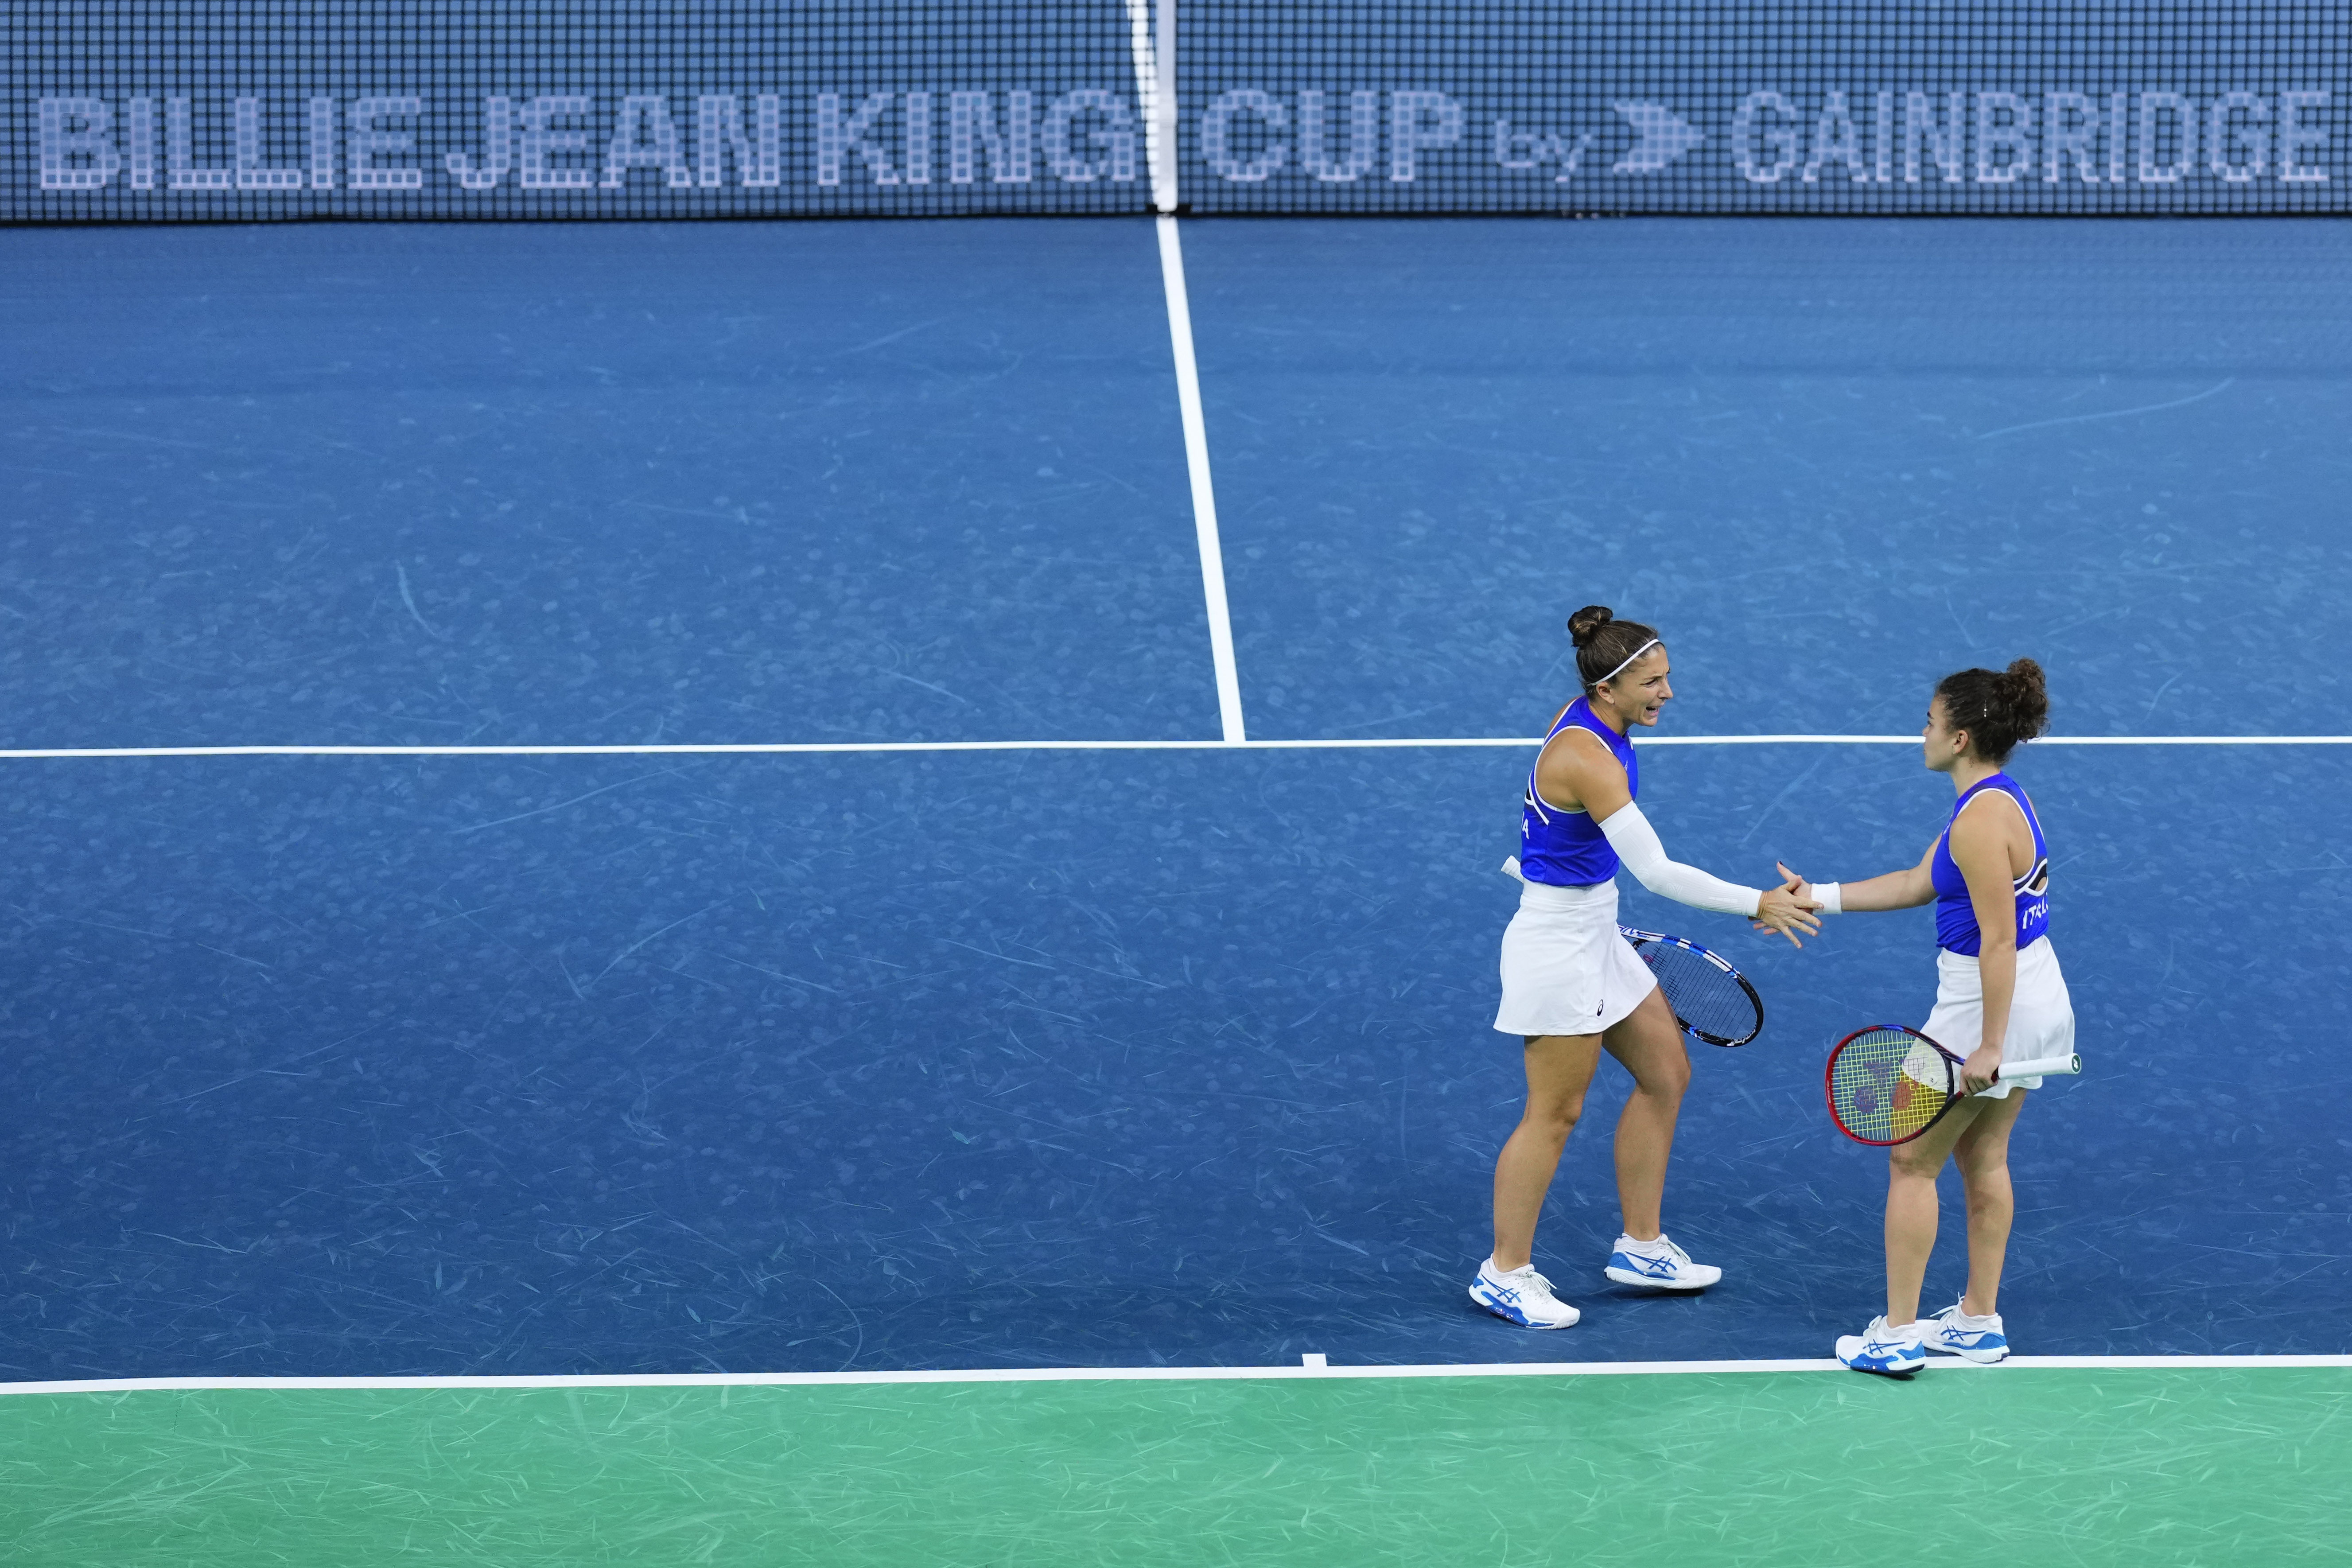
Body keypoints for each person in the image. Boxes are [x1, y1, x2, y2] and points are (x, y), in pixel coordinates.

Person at [1470, 607, 1820, 1330]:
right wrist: (1756, 900)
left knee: (1665, 1075)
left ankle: (1640, 1246)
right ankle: (1503, 1272)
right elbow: (1656, 872)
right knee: (1555, 1112)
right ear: (1607, 688)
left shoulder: (1604, 724)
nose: (1667, 693)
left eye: (1666, 677)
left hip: (1594, 927)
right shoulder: (1584, 756)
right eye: (1652, 683)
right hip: (1557, 948)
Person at [1779, 658, 2066, 1375]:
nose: (1923, 731)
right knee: (1983, 1154)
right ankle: (1977, 1320)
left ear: (1961, 737)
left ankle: (1897, 1334)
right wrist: (1818, 894)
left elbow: (1996, 939)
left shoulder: (1977, 825)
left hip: (1982, 1007)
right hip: (2038, 994)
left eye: (1931, 721)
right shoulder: (1996, 801)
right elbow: (1917, 882)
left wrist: (1988, 1044)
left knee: (1911, 1161)